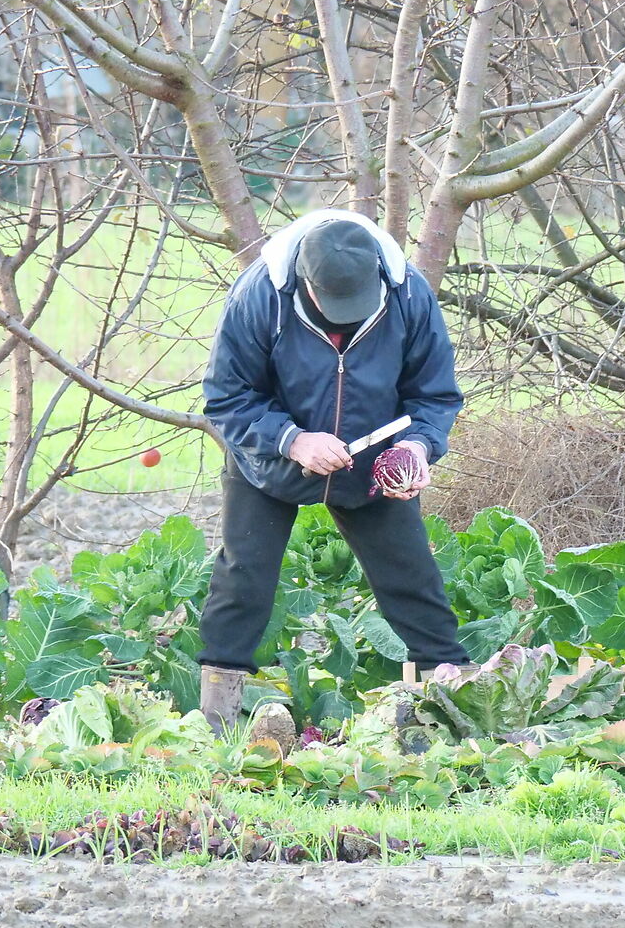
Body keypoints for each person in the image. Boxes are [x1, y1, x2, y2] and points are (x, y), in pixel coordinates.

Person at [196, 209, 472, 730]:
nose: (346, 317)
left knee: (414, 581)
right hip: (269, 460)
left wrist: (417, 447)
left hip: (372, 463)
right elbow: (227, 398)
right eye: (334, 306)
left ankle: (452, 714)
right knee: (242, 579)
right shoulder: (259, 297)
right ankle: (215, 725)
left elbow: (434, 396)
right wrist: (292, 440)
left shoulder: (409, 296)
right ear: (306, 282)